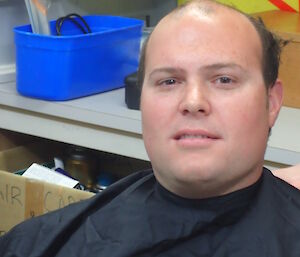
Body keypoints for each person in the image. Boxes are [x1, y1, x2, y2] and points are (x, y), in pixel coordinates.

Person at [1, 0, 300, 256]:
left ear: (271, 103)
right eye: (169, 81)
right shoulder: (38, 245)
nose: (193, 101)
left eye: (224, 79)